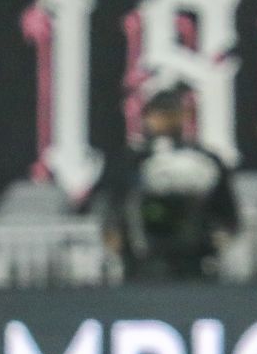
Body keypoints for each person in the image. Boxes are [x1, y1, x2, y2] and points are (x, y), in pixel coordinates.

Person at [101, 87, 239, 280]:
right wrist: (112, 232)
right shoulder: (130, 159)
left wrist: (223, 234)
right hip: (141, 259)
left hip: (197, 258)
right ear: (147, 117)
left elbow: (227, 209)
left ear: (183, 116)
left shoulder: (206, 158)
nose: (165, 119)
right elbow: (114, 204)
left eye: (171, 113)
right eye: (160, 113)